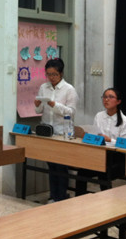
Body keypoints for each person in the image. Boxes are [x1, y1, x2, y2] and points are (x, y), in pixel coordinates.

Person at [34, 58, 78, 202]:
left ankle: (61, 196)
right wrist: (37, 105)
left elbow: (71, 112)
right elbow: (39, 110)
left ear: (61, 73)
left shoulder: (69, 89)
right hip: (47, 132)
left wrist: (55, 105)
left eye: (54, 74)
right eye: (48, 74)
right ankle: (54, 196)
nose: (51, 78)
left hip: (62, 133)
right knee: (51, 166)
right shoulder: (44, 87)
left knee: (61, 167)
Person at [75, 87, 126, 195]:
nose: (106, 99)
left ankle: (107, 202)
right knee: (82, 172)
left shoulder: (125, 121)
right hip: (100, 156)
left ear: (118, 101)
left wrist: (110, 140)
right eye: (105, 97)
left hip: (118, 159)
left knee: (104, 172)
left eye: (111, 97)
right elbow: (95, 134)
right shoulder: (99, 116)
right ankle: (79, 200)